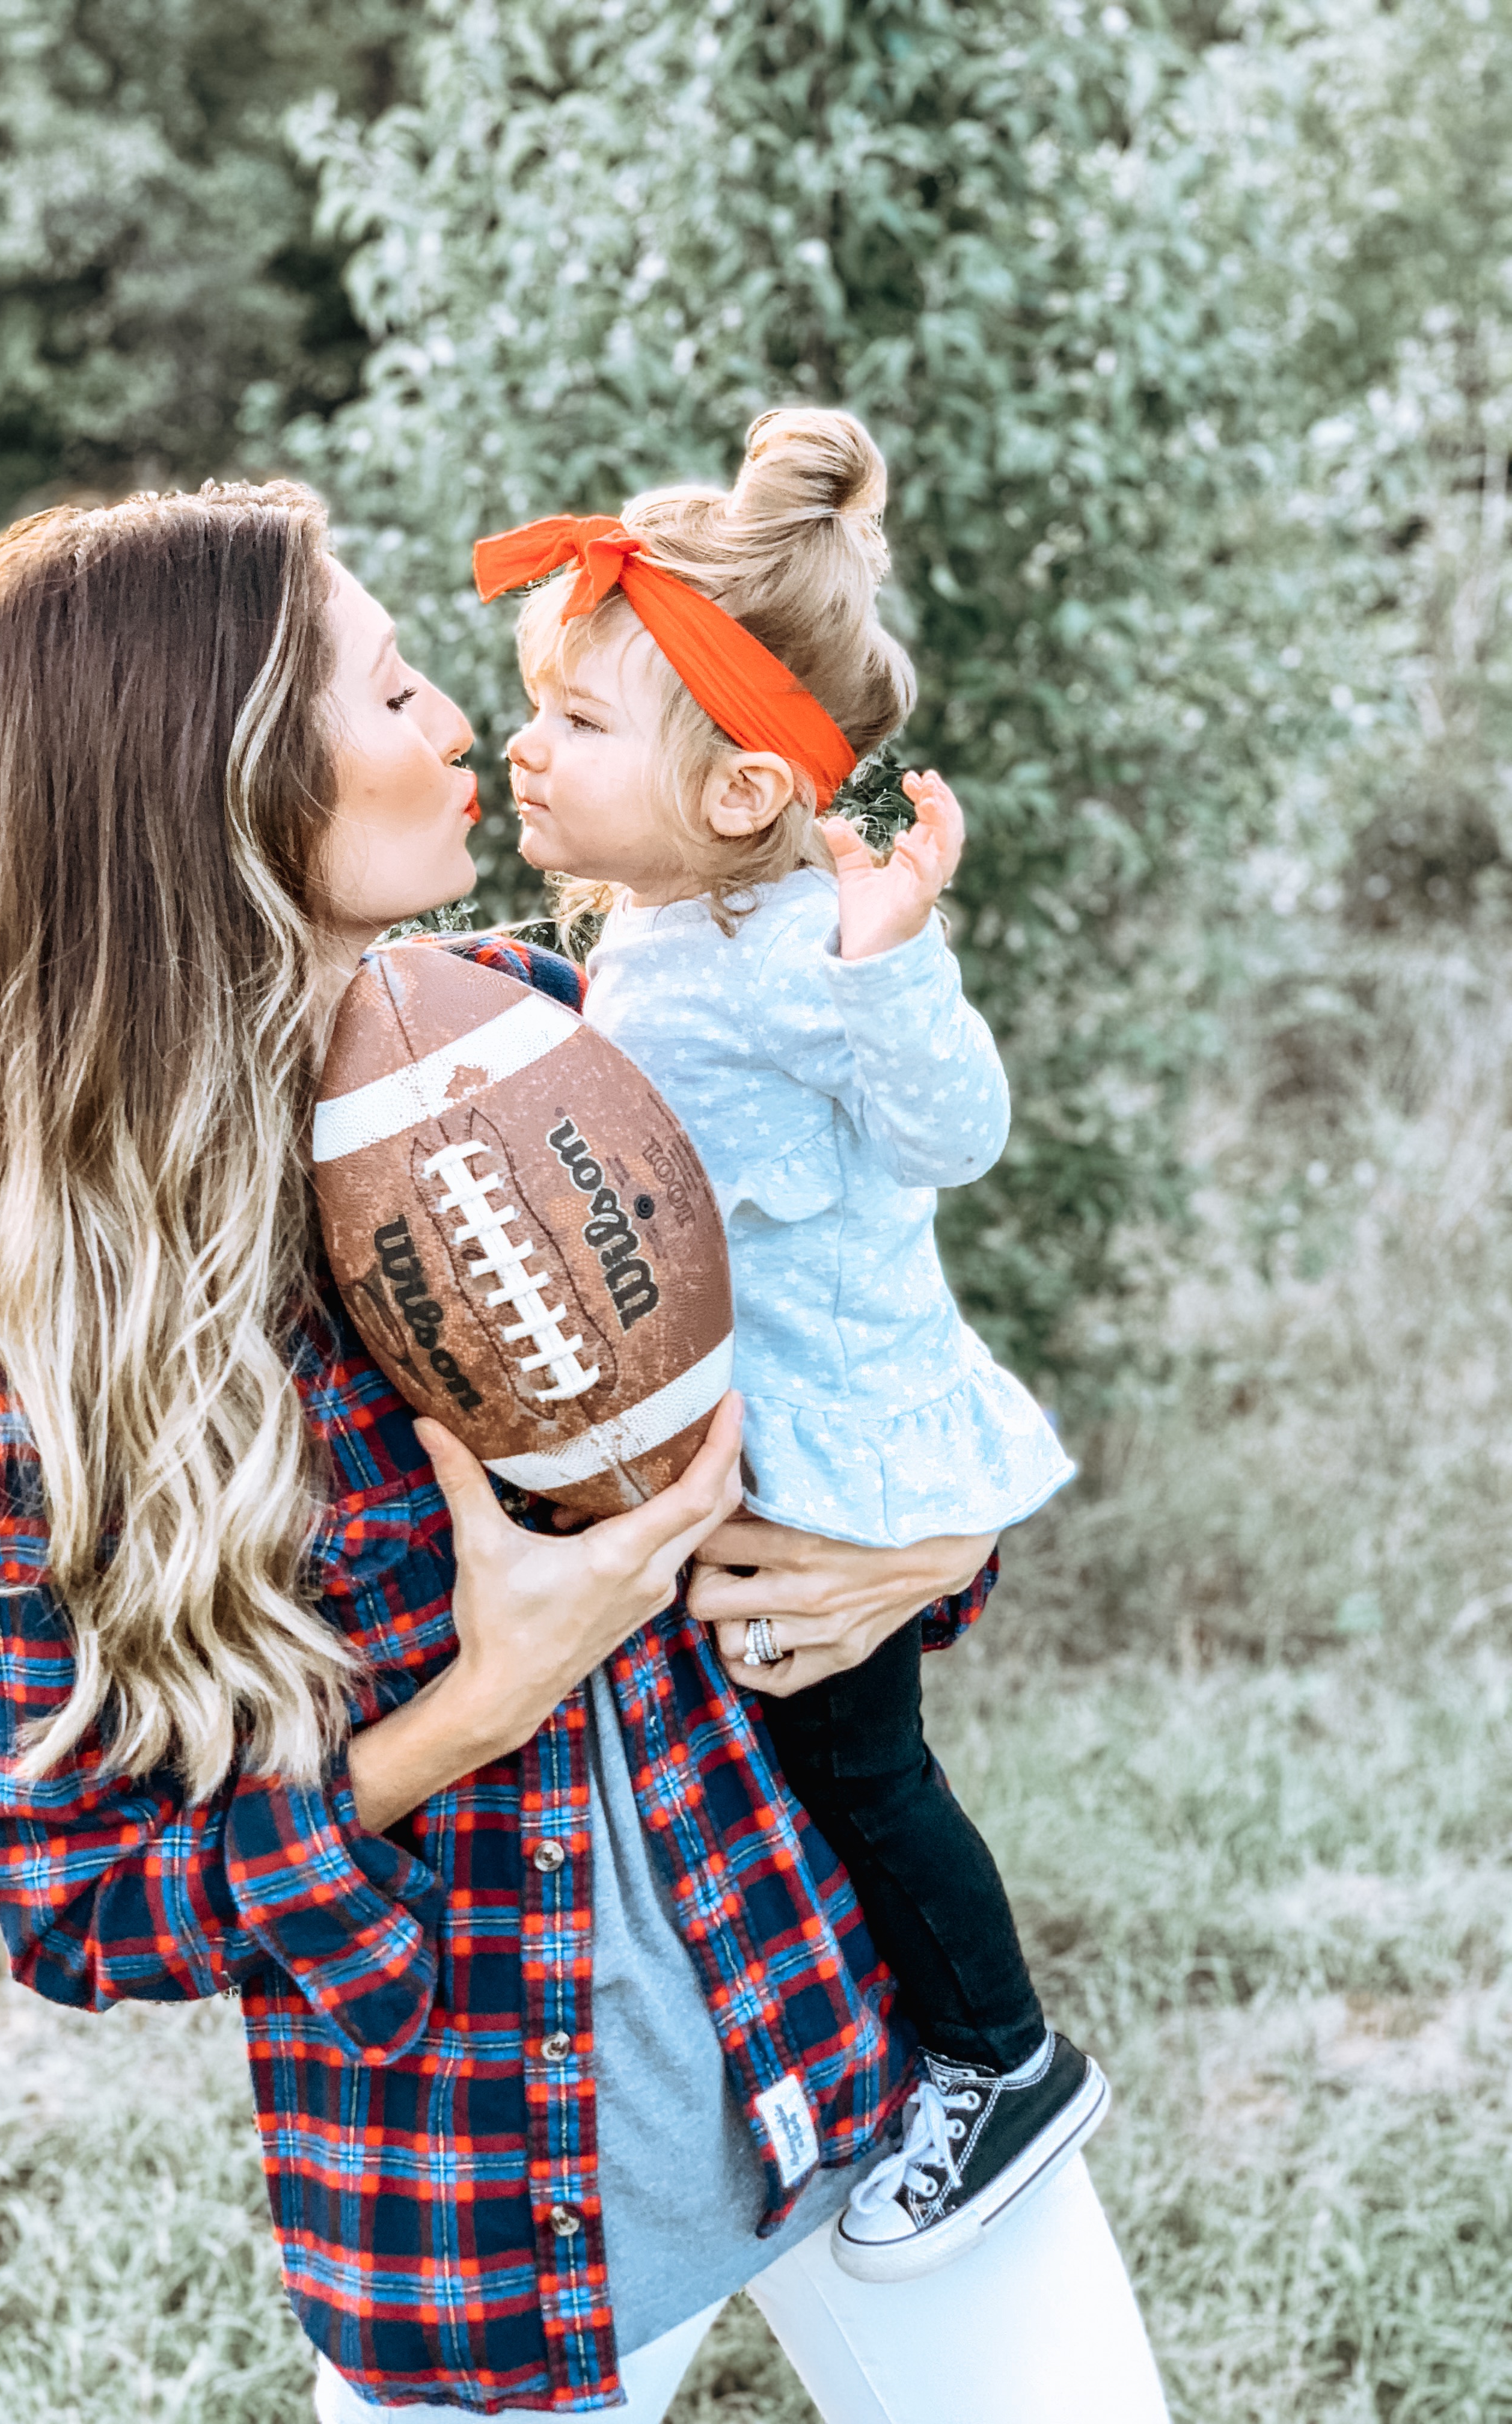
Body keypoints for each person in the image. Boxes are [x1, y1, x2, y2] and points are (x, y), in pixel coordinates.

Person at [0, 479, 1168, 2419]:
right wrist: (479, 1702)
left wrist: (927, 1558)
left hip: (854, 2052)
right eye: (390, 695)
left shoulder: (558, 1043)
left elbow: (843, 1359)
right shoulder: (47, 1359)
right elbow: (77, 1902)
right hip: (491, 2225)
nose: (458, 721)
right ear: (222, 792)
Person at [475, 406, 1102, 2283]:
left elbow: (957, 1132)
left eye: (580, 723)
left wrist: (894, 946)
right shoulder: (675, 917)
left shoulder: (808, 944)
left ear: (741, 790)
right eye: (540, 706)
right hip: (765, 1433)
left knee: (863, 1773)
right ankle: (884, 2039)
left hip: (836, 1454)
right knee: (804, 1771)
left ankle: (1004, 2062)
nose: (528, 743)